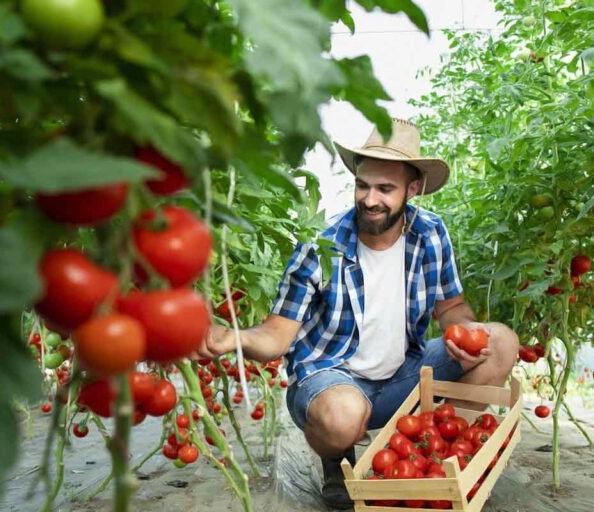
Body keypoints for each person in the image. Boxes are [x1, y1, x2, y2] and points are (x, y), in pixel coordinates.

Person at [197, 118, 519, 510]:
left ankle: (438, 451)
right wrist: (233, 337)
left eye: (385, 189)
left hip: (405, 374)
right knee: (343, 416)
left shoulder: (431, 233)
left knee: (501, 341)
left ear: (412, 190)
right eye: (362, 185)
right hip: (331, 383)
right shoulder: (321, 247)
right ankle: (335, 461)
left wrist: (465, 333)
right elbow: (275, 336)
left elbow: (451, 307)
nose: (370, 199)